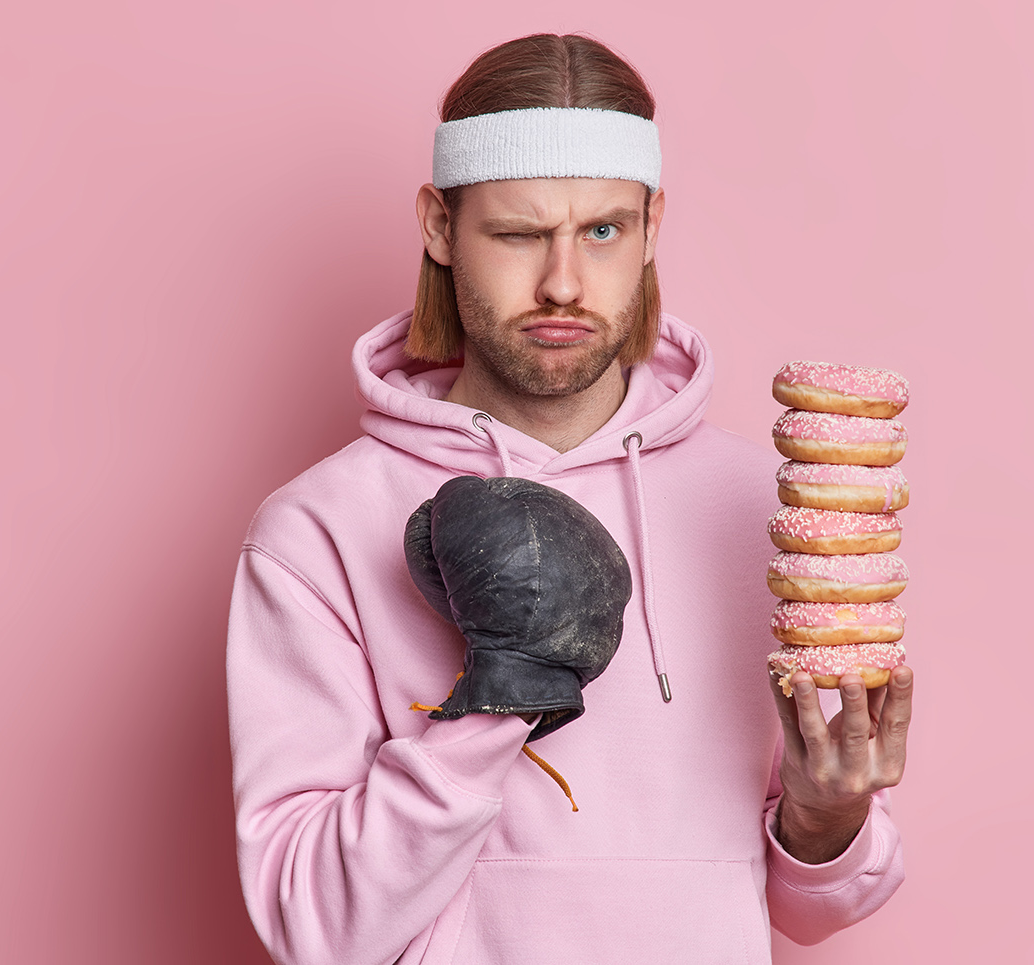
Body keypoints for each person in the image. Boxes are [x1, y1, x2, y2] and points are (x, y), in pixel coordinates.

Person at [227, 33, 915, 964]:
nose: (563, 282)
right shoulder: (318, 531)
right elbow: (312, 920)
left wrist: (825, 817)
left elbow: (807, 908)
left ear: (651, 227)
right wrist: (495, 702)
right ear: (438, 225)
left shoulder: (761, 508)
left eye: (602, 231)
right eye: (518, 232)